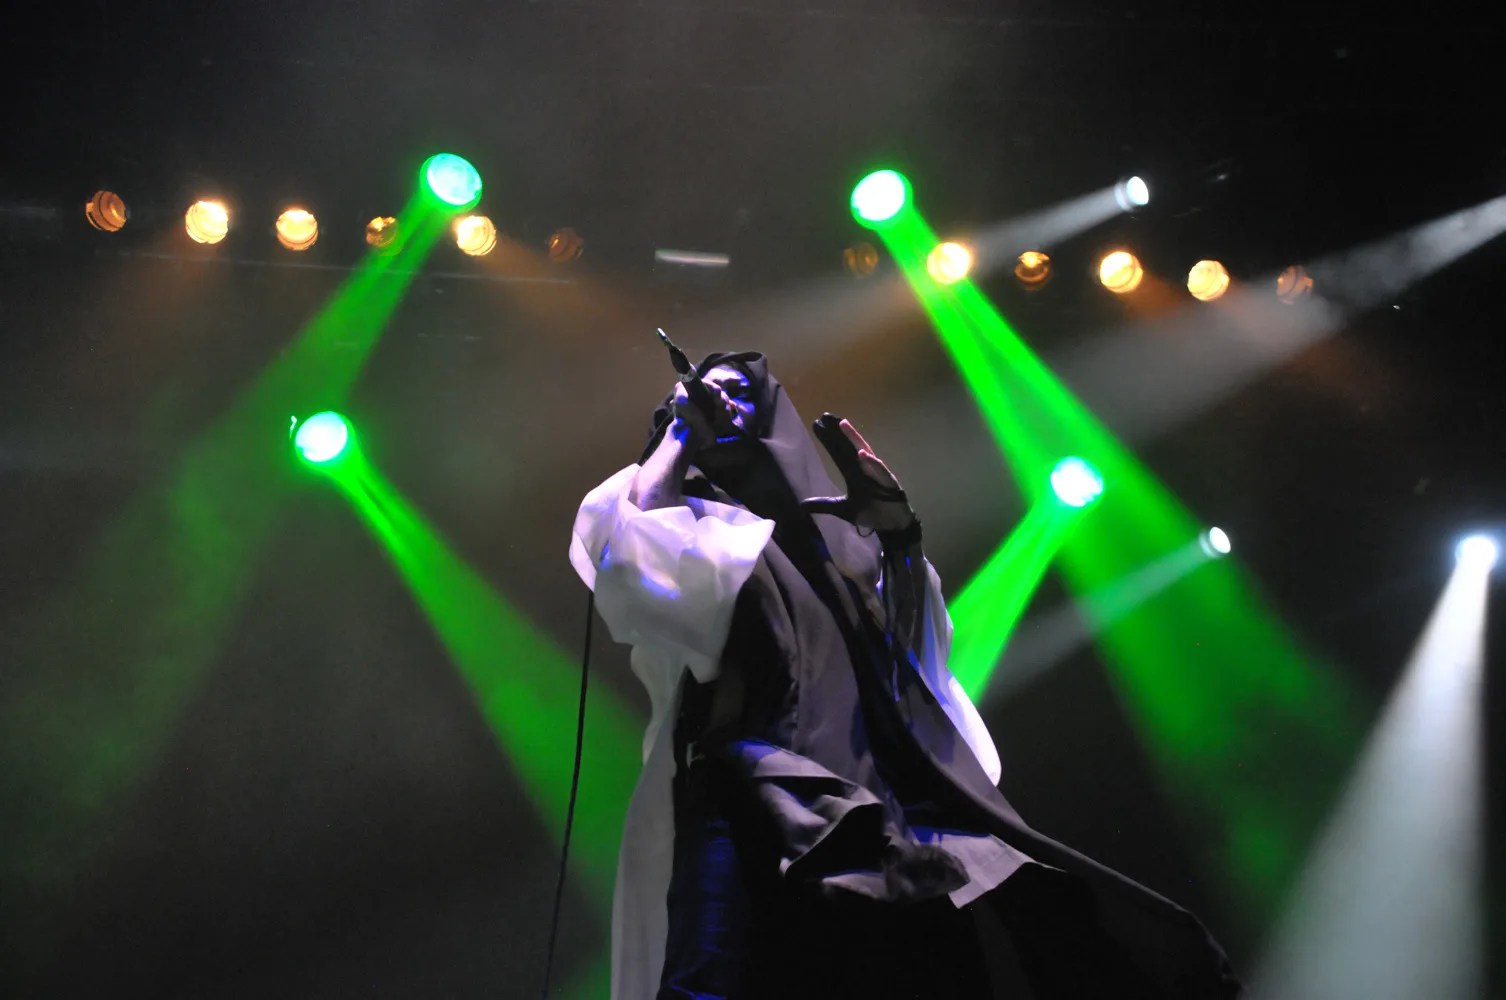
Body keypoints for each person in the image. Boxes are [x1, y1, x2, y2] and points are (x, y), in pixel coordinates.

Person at [569, 351, 1243, 1000]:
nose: (725, 398)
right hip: (752, 789)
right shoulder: (689, 513)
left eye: (742, 391)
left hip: (876, 803)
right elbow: (635, 567)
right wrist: (680, 433)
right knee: (713, 975)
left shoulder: (837, 533)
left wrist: (898, 535)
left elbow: (919, 658)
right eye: (710, 386)